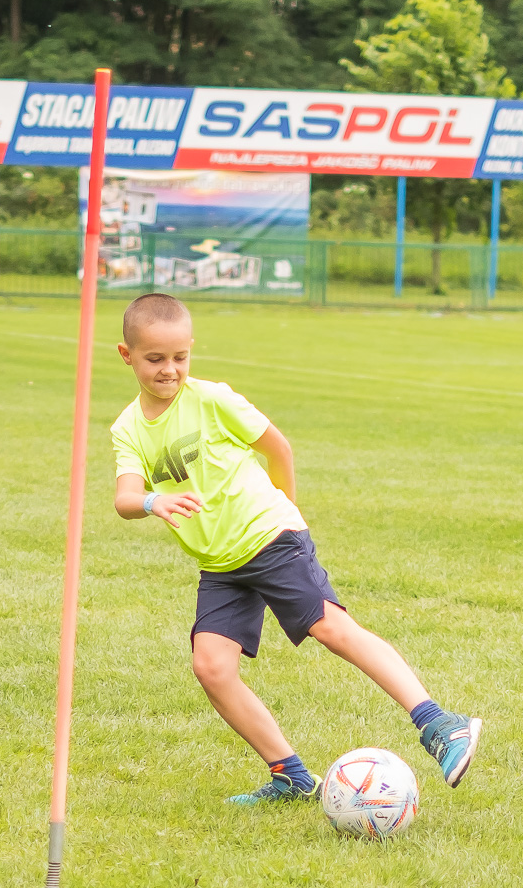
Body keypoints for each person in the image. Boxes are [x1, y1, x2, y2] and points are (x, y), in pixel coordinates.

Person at [110, 293, 481, 801]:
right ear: (126, 355)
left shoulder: (213, 399)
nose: (170, 370)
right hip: (220, 564)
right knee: (211, 667)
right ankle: (291, 775)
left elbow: (277, 448)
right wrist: (155, 501)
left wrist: (290, 514)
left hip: (271, 535)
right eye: (155, 359)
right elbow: (125, 498)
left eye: (180, 357)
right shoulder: (128, 428)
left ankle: (441, 724)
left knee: (330, 626)